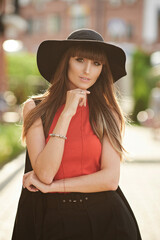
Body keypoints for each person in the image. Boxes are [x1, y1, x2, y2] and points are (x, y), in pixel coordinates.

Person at [12, 29, 142, 240]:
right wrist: (67, 113)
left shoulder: (108, 114)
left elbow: (110, 180)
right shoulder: (35, 109)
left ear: (103, 69)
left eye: (97, 63)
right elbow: (44, 173)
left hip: (106, 220)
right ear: (66, 62)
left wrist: (53, 187)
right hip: (50, 220)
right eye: (80, 59)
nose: (88, 70)